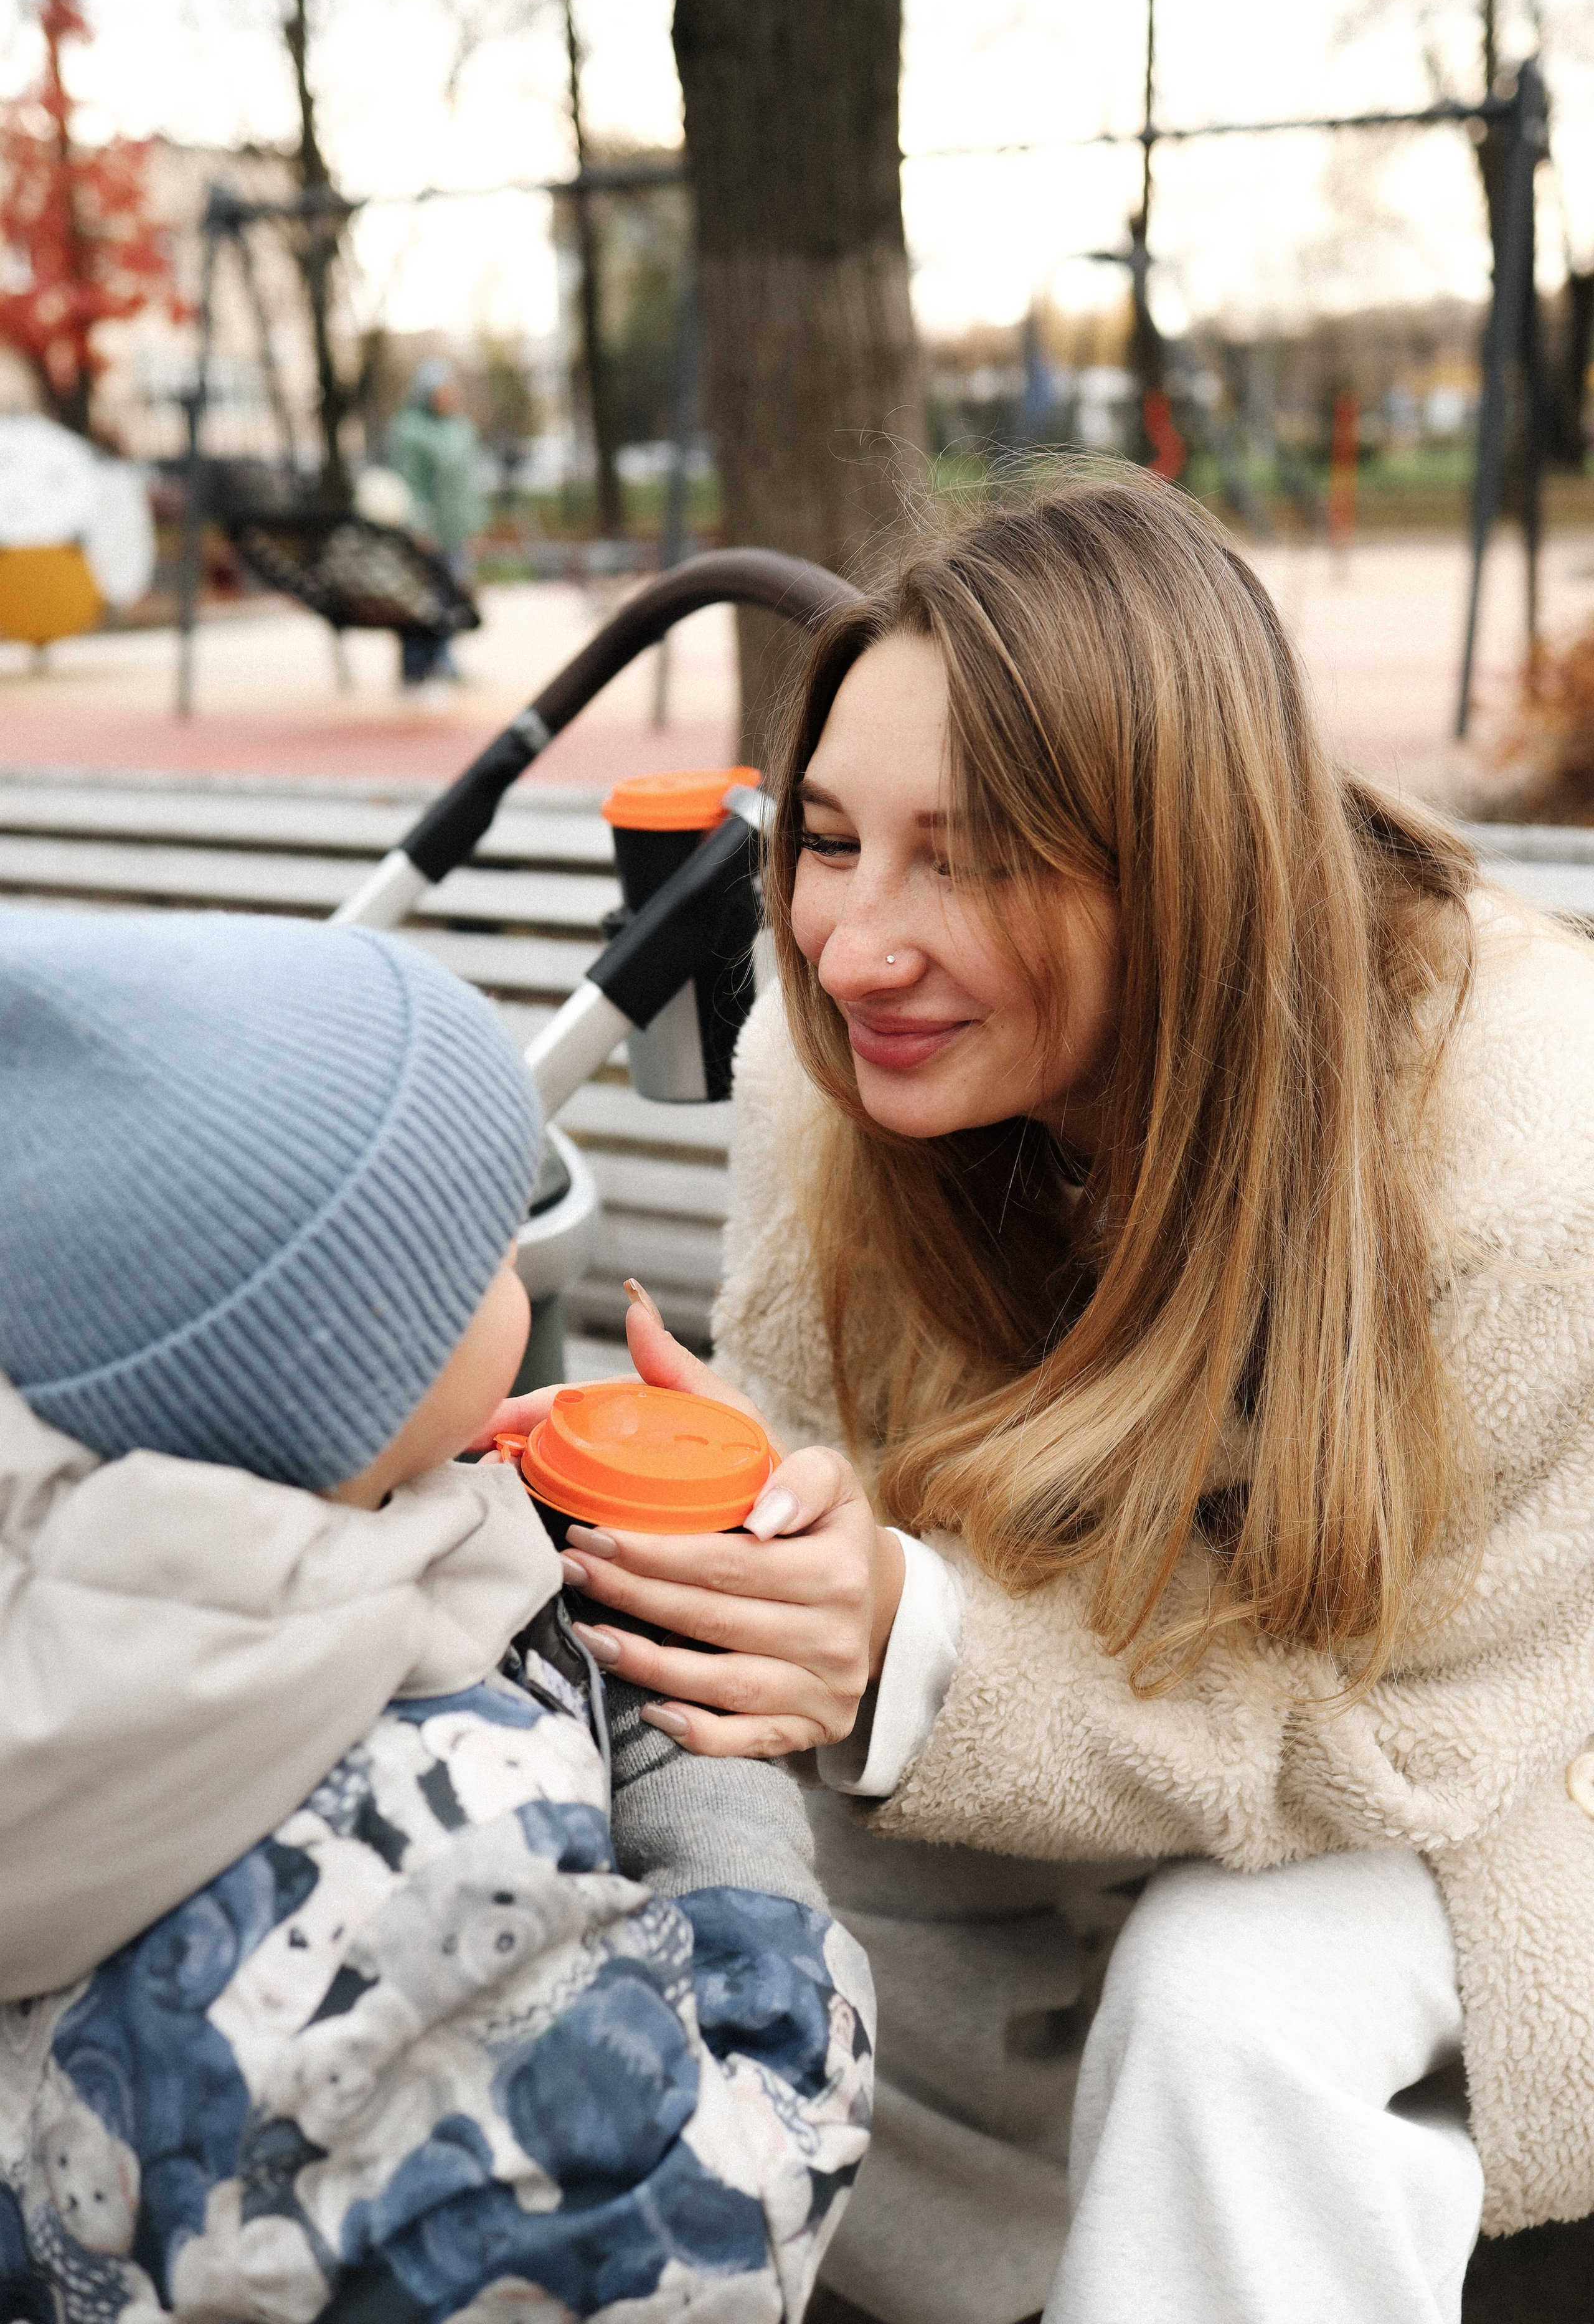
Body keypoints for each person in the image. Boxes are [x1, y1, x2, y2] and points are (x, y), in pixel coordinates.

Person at [486, 468, 1594, 2324]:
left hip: (1509, 1761)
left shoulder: (1524, 1144)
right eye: (826, 838)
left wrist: (915, 1651)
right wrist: (754, 1541)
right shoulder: (822, 1057)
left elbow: (1423, 1745)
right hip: (1095, 1731)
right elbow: (837, 1537)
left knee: (1232, 2003)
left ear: (1178, 857)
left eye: (973, 852)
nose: (852, 945)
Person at [0, 910, 872, 2324]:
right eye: (478, 1238)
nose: (515, 1258)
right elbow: (723, 2216)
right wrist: (694, 1752)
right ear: (339, 1367)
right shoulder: (435, 1845)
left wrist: (461, 1506)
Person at [385, 358, 484, 695]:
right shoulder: (409, 430)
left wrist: (473, 525)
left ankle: (443, 660)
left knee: (453, 596)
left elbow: (466, 481)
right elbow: (408, 483)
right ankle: (416, 666)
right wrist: (417, 525)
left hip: (455, 527)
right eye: (442, 389)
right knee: (422, 599)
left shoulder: (459, 427)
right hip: (426, 531)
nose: (449, 394)